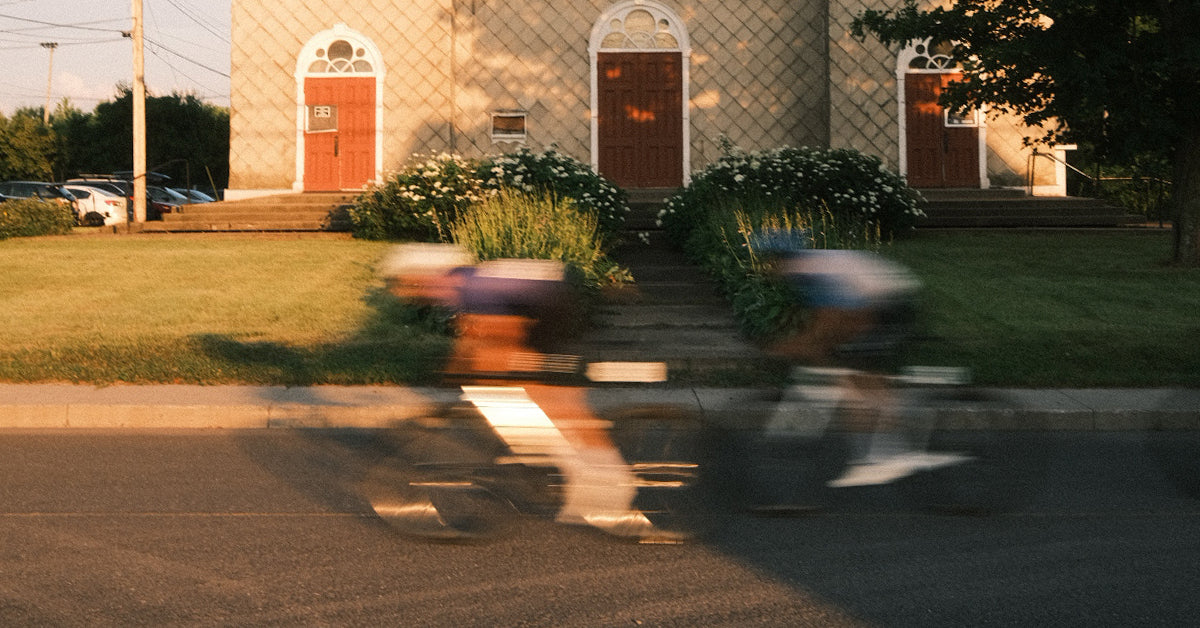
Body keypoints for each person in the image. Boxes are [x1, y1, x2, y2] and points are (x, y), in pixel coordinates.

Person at [380, 244, 672, 540]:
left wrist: (476, 372)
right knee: (506, 378)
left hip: (553, 306)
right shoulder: (463, 283)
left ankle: (609, 485)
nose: (406, 291)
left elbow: (504, 334)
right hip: (547, 298)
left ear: (426, 276)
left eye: (407, 283)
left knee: (545, 393)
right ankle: (549, 446)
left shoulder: (471, 289)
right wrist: (458, 372)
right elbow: (471, 336)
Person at [754, 231, 934, 488]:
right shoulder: (807, 267)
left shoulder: (806, 269)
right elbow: (827, 323)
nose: (768, 267)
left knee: (855, 382)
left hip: (888, 306)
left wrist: (795, 347)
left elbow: (843, 320)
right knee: (853, 375)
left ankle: (879, 456)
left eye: (770, 261)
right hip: (880, 299)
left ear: (782, 258)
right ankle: (887, 440)